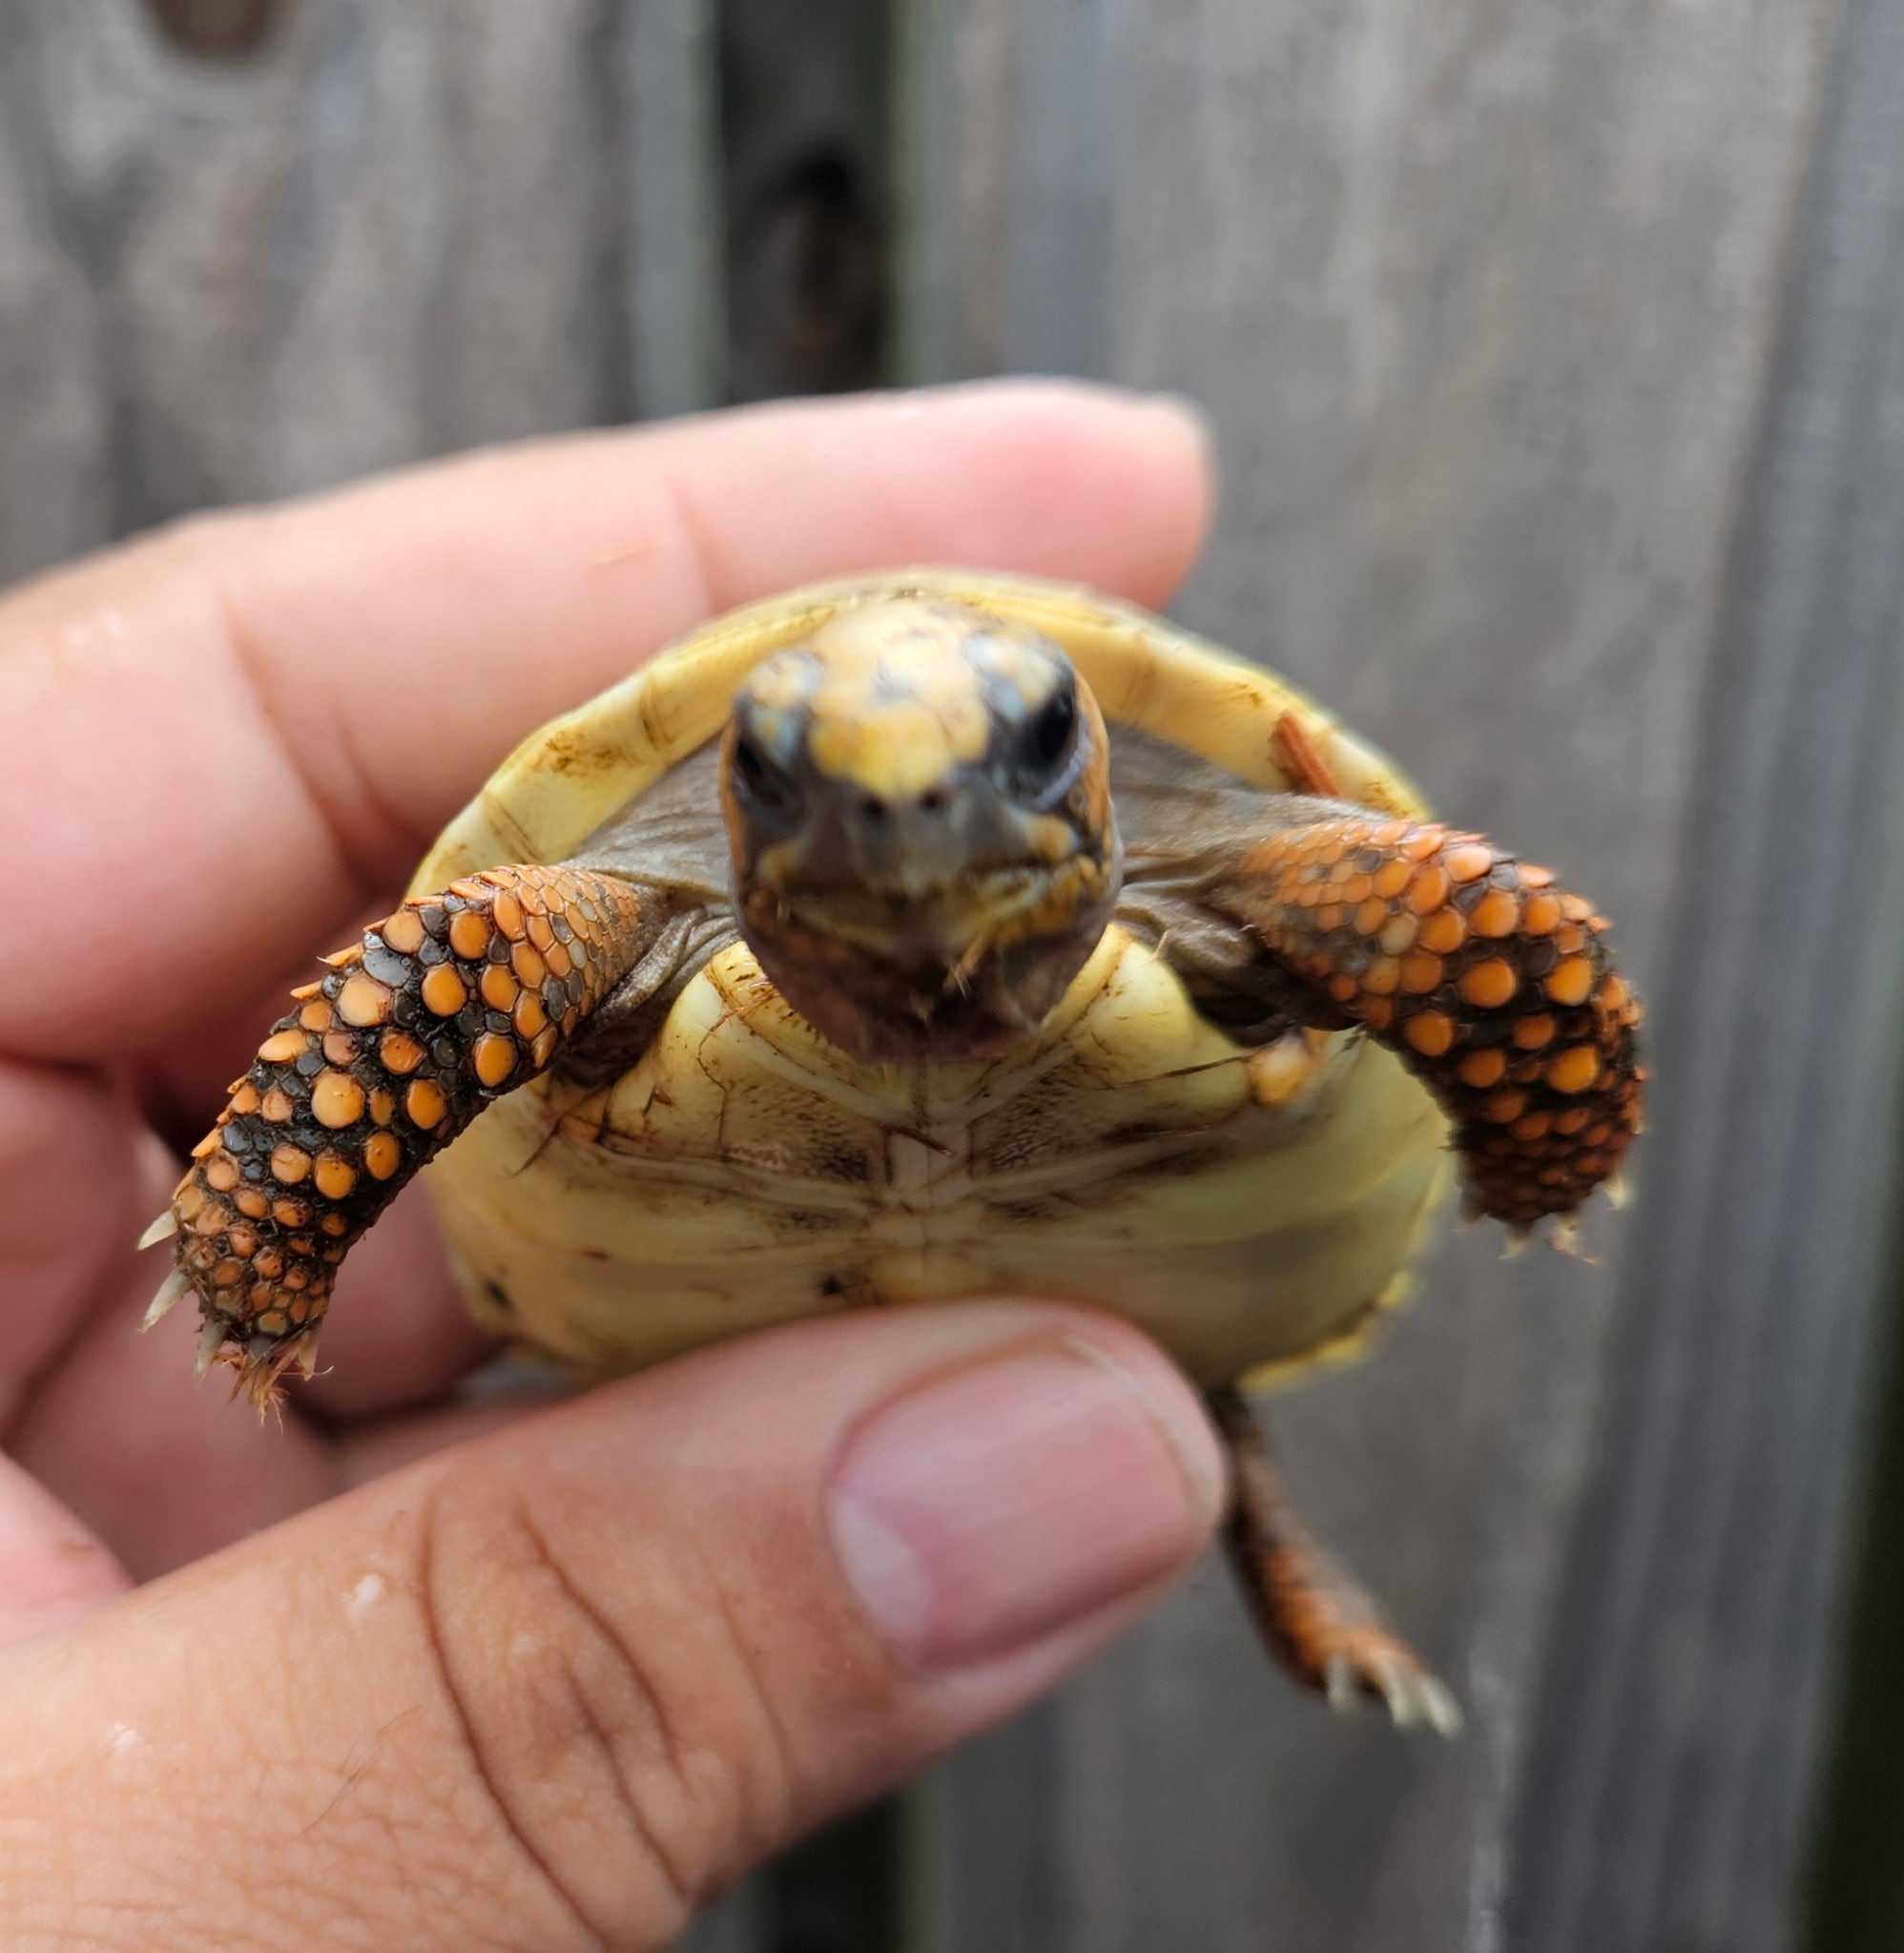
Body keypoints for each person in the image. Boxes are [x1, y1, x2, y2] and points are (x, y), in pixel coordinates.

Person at [0, 382, 1228, 1949]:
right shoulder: (593, 918)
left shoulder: (1244, 867)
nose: (913, 808)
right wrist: (264, 1236)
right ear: (739, 793)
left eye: (1031, 745)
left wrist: (1542, 1128)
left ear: (1091, 750)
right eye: (797, 776)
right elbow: (452, 964)